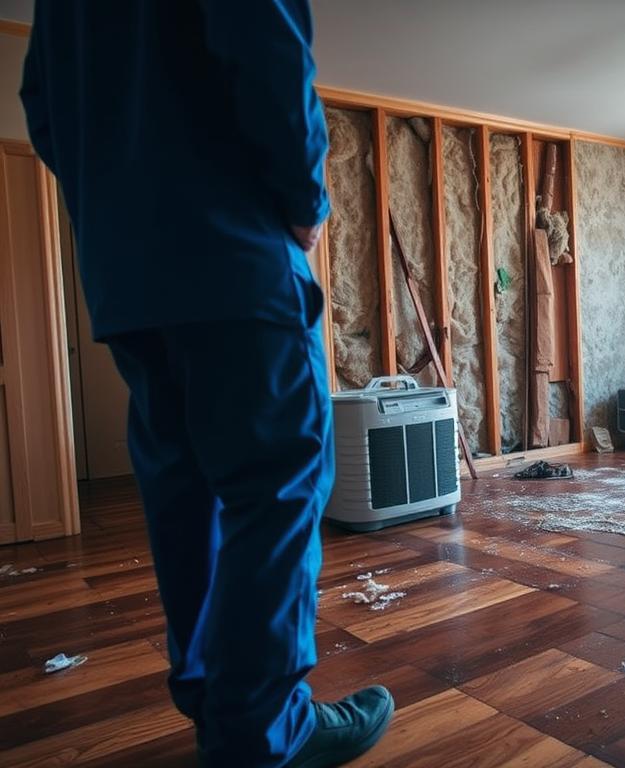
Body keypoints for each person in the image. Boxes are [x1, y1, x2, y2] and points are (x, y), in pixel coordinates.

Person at [20, 2, 394, 766]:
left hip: (128, 281)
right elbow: (265, 45)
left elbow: (43, 108)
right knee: (276, 488)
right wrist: (306, 201)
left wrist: (119, 202)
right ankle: (263, 732)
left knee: (184, 492)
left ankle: (217, 707)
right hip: (235, 257)